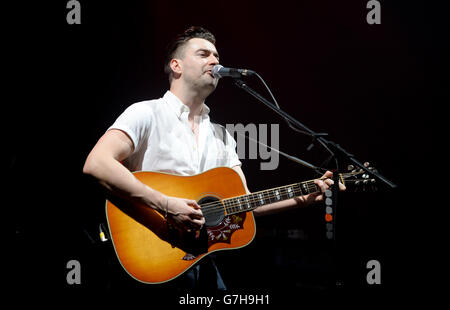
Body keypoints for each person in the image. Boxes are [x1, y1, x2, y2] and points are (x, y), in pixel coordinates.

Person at [83, 26, 345, 290]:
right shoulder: (145, 113)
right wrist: (165, 204)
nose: (215, 61)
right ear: (177, 66)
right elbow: (97, 164)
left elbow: (244, 202)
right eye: (203, 53)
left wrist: (304, 196)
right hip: (151, 254)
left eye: (217, 56)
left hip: (199, 262)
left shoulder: (222, 136)